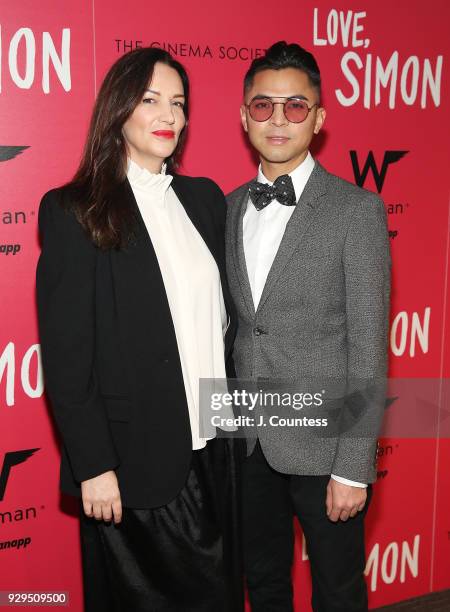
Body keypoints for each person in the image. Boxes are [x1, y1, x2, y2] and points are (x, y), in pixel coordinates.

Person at [36, 47, 243, 612]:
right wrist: (93, 466)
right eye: (150, 99)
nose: (168, 115)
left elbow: (222, 326)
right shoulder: (77, 210)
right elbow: (68, 355)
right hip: (133, 464)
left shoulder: (204, 199)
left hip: (215, 446)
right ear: (119, 109)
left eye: (178, 103)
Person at [225, 41, 390, 611]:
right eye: (263, 105)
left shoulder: (356, 211)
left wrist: (354, 466)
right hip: (244, 440)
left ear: (318, 120)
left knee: (338, 591)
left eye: (295, 106)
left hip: (325, 444)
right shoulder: (225, 207)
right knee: (263, 582)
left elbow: (369, 348)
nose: (278, 119)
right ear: (244, 116)